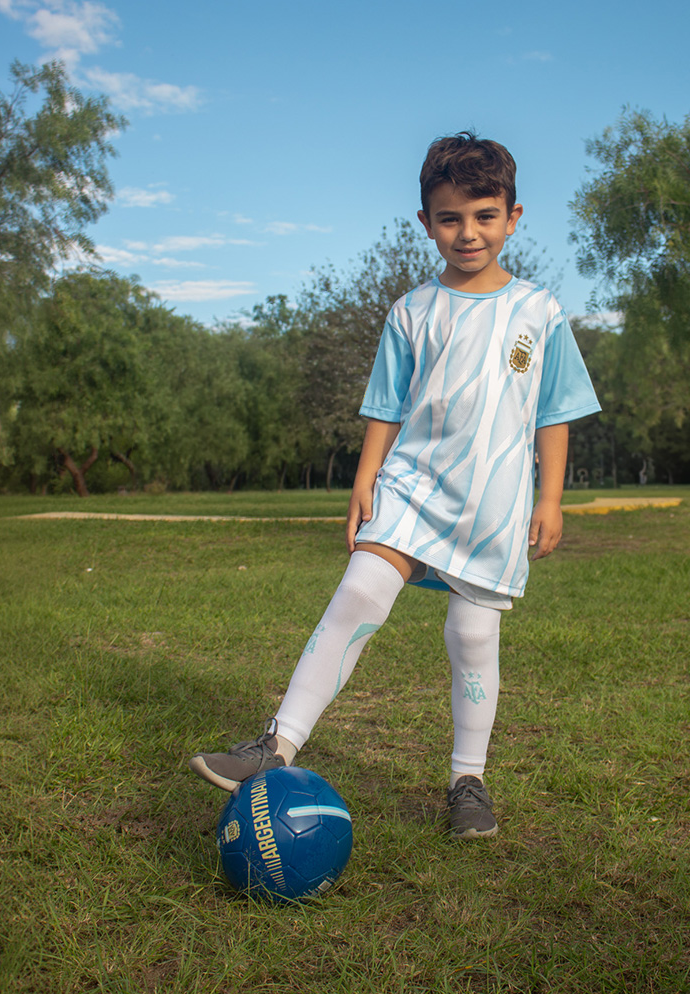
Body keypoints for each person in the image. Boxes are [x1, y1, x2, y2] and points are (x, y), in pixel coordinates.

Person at [189, 132, 600, 839]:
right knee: (358, 590)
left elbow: (556, 412)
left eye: (483, 215)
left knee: (473, 639)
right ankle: (277, 742)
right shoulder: (411, 310)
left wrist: (552, 497)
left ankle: (467, 781)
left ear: (513, 216)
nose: (467, 232)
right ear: (425, 222)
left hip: (493, 504)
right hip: (411, 486)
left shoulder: (540, 312)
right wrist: (364, 479)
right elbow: (385, 403)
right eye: (449, 218)